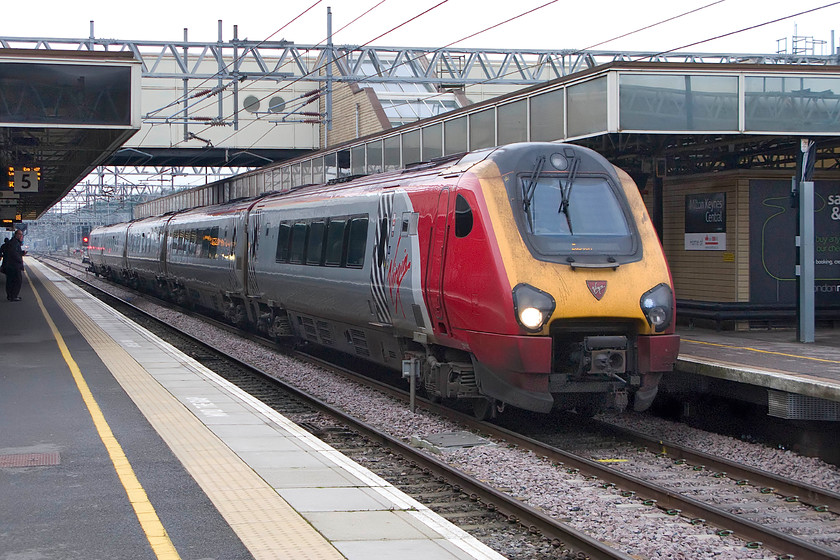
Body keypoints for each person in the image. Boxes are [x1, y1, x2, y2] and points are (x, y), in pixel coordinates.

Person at [3, 229, 26, 301]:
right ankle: (14, 296)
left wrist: (21, 253)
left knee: (10, 281)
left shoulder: (13, 242)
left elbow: (13, 252)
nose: (21, 236)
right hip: (14, 266)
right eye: (20, 234)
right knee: (17, 281)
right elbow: (14, 254)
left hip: (10, 265)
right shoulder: (15, 243)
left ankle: (10, 296)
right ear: (17, 235)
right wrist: (19, 260)